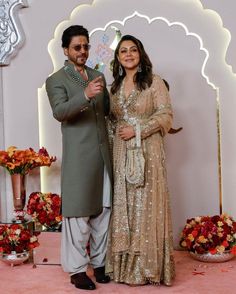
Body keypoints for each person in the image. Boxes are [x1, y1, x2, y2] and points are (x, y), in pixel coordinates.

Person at [45, 25, 112, 291]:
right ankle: (76, 270)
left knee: (103, 210)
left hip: (103, 154)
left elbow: (106, 111)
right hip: (79, 157)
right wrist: (85, 95)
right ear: (66, 50)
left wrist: (107, 93)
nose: (82, 51)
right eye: (77, 47)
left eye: (85, 46)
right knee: (78, 215)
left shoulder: (98, 75)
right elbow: (60, 111)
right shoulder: (57, 79)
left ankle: (100, 263)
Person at [105, 35, 175, 286]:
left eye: (133, 50)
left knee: (146, 204)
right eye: (123, 51)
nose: (128, 54)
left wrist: (137, 130)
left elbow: (165, 115)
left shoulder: (154, 83)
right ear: (117, 58)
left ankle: (147, 269)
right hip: (122, 153)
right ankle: (124, 269)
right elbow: (111, 121)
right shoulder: (114, 87)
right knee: (125, 206)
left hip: (148, 151)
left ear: (140, 54)